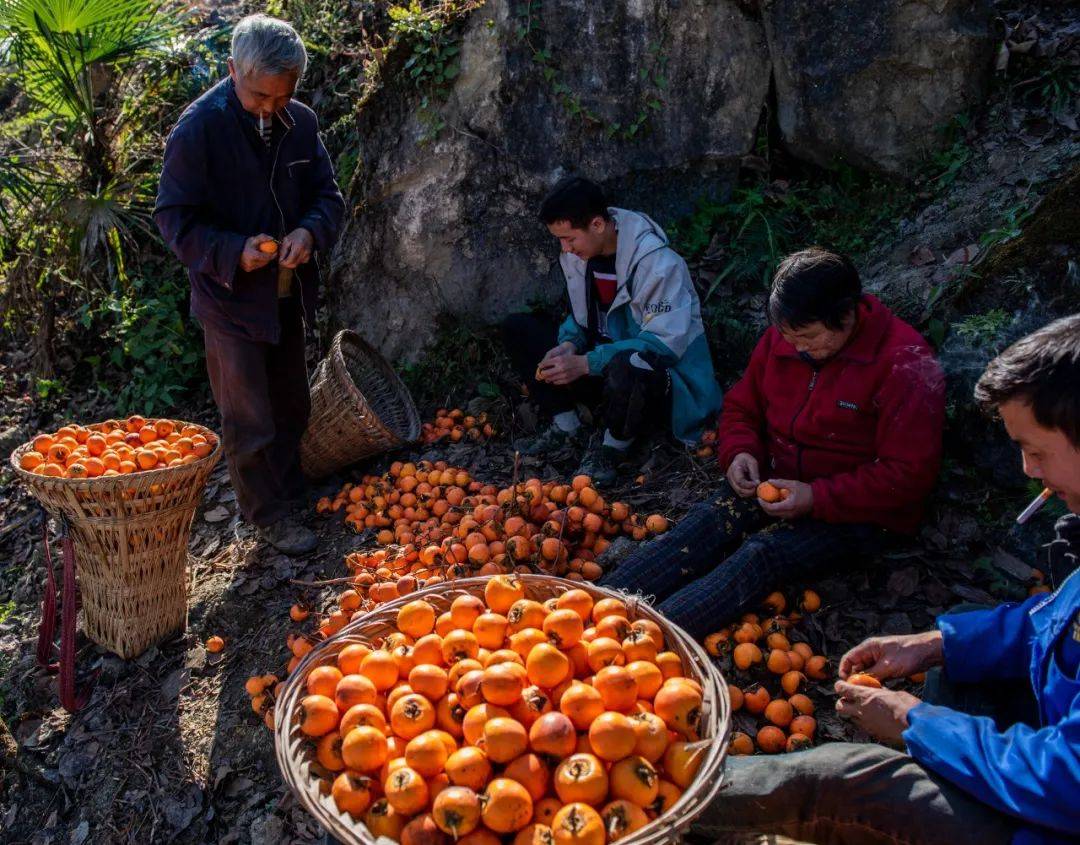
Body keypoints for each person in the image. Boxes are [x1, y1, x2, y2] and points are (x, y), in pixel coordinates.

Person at [690, 313, 1080, 845]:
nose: (1028, 470)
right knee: (965, 631)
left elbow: (1068, 781)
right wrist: (936, 644)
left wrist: (917, 722)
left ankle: (667, 799)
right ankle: (951, 769)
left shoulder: (898, 366)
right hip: (1051, 740)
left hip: (1055, 812)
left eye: (1037, 451)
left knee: (847, 783)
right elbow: (1053, 623)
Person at [601, 247, 946, 636]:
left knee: (760, 556)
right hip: (776, 481)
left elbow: (908, 475)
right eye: (789, 337)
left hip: (855, 511)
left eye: (809, 338)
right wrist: (740, 453)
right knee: (709, 520)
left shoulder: (903, 363)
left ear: (846, 316)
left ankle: (643, 644)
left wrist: (816, 497)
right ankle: (593, 608)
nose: (798, 348)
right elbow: (741, 408)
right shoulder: (783, 340)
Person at [154, 15, 345, 555]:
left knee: (290, 403)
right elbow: (173, 219)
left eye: (281, 98)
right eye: (258, 95)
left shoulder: (300, 123)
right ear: (232, 69)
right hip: (229, 299)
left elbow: (327, 198)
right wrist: (233, 250)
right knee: (249, 416)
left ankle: (287, 493)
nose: (268, 109)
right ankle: (265, 516)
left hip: (286, 292)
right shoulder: (198, 131)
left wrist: (309, 232)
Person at [503, 176, 722, 485]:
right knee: (519, 329)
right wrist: (569, 345)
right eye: (560, 240)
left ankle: (612, 448)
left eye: (569, 238)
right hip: (604, 370)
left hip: (655, 383)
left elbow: (662, 347)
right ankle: (568, 426)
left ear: (596, 225)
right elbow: (584, 318)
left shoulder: (659, 265)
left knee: (630, 364)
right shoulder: (580, 256)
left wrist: (586, 363)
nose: (564, 248)